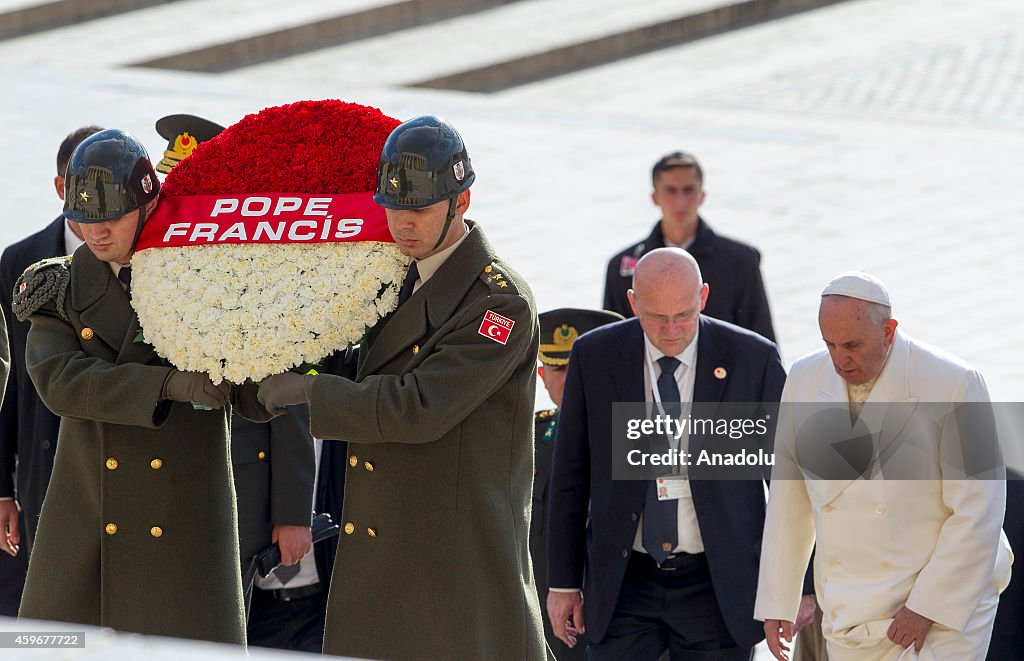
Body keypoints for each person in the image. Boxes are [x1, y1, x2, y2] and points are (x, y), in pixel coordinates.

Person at [257, 115, 549, 659]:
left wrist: (306, 392)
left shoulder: (497, 302)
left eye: (417, 209)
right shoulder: (394, 275)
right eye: (392, 207)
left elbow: (418, 406)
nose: (401, 224)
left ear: (460, 203)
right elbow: (356, 367)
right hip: (385, 549)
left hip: (452, 559)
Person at [14, 128, 269, 643]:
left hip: (184, 514)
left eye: (110, 218)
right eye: (82, 219)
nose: (96, 232)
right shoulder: (58, 287)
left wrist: (282, 383)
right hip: (89, 517)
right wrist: (167, 384)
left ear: (148, 203)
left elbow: (247, 382)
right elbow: (61, 382)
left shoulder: (208, 279)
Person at [755, 272, 1013, 660]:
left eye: (853, 345)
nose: (841, 359)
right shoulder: (804, 379)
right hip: (850, 609)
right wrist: (780, 598)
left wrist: (926, 607)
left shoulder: (953, 383)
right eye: (830, 344)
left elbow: (978, 511)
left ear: (889, 330)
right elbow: (790, 496)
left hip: (945, 607)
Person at [547, 247, 787, 660]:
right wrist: (563, 583)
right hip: (624, 581)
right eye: (657, 318)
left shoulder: (753, 360)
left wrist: (794, 589)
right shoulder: (594, 356)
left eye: (684, 315)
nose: (672, 331)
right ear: (634, 303)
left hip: (717, 582)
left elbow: (790, 483)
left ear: (704, 298)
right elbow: (571, 475)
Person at [0, 126, 102, 566]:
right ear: (60, 187)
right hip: (42, 460)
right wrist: (3, 486)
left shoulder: (145, 254)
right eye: (82, 184)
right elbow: (7, 381)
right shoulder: (17, 260)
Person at [602, 151, 775, 341]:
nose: (680, 201)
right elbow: (611, 344)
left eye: (688, 190)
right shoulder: (622, 267)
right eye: (670, 190)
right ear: (654, 197)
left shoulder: (740, 260)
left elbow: (763, 338)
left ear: (702, 195)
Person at [533, 307, 622, 660]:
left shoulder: (642, 437)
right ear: (541, 375)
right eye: (558, 369)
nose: (570, 380)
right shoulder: (526, 441)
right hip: (550, 625)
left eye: (581, 368)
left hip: (627, 619)